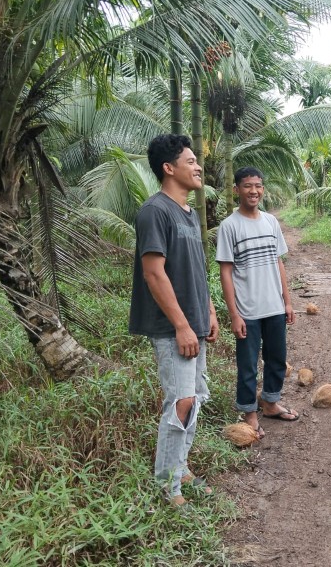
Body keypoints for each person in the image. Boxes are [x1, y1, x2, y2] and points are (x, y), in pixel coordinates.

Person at [129, 133, 219, 508]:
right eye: (190, 161)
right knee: (180, 401)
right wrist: (182, 325)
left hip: (195, 322)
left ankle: (180, 468)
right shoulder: (155, 211)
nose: (198, 167)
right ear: (169, 168)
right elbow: (154, 274)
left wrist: (209, 311)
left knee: (194, 399)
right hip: (172, 328)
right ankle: (168, 483)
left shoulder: (189, 214)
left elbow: (195, 269)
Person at [216, 166, 298, 440]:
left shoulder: (271, 222)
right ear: (236, 189)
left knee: (277, 358)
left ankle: (271, 403)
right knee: (248, 364)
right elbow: (226, 271)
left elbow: (278, 262)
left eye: (258, 185)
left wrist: (287, 301)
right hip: (248, 310)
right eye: (248, 186)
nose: (254, 191)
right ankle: (250, 413)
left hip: (274, 306)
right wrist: (234, 314)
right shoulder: (230, 226)